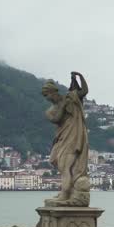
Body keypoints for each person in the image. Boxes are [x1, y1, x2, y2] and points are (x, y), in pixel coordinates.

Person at [42, 71, 90, 207]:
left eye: (47, 94)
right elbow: (55, 119)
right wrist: (63, 105)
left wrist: (80, 77)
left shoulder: (71, 98)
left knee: (65, 166)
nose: (47, 98)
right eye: (45, 96)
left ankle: (65, 194)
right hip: (62, 137)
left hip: (73, 136)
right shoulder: (51, 110)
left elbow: (84, 91)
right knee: (55, 161)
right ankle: (67, 191)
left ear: (54, 91)